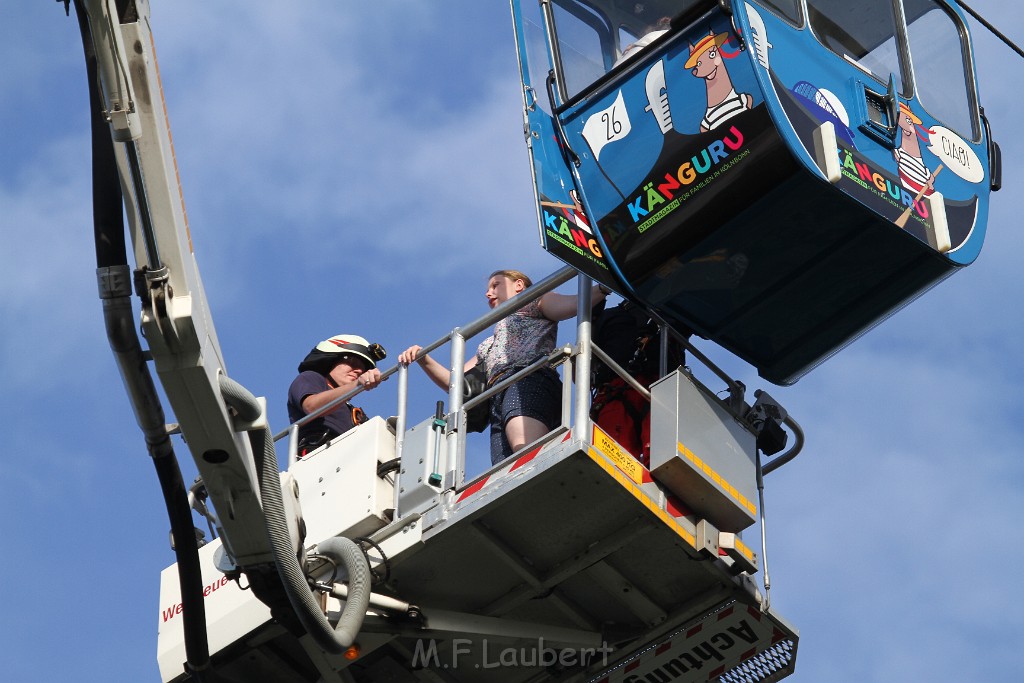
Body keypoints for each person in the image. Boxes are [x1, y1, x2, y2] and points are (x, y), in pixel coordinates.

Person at [400, 270, 610, 465]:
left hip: (528, 378)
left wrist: (603, 287)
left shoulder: (533, 300)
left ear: (519, 285)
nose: (488, 292)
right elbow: (455, 384)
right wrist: (424, 359)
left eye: (496, 285)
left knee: (524, 448)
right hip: (498, 394)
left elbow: (573, 303)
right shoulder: (489, 344)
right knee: (503, 466)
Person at [287, 333, 387, 455]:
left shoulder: (353, 412)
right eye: (352, 362)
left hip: (351, 460)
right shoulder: (310, 378)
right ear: (331, 360)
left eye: (364, 369)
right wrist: (357, 385)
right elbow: (311, 406)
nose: (359, 370)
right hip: (318, 456)